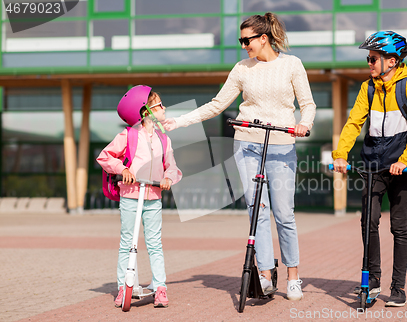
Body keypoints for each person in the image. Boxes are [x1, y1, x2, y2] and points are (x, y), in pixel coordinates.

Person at [162, 12, 316, 301]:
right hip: (247, 144)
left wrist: (304, 123)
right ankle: (266, 274)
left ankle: (293, 274)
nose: (243, 45)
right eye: (240, 40)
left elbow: (308, 104)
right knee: (256, 209)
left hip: (282, 144)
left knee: (284, 213)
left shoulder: (292, 65)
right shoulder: (242, 69)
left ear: (264, 38)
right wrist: (179, 121)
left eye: (247, 40)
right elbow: (217, 104)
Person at [331, 31, 407, 307]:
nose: (369, 63)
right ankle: (372, 282)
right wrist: (341, 155)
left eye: (373, 58)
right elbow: (353, 123)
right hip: (373, 163)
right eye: (368, 58)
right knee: (368, 222)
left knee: (399, 226)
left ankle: (398, 287)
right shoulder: (368, 88)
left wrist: (406, 160)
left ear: (392, 61)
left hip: (401, 166)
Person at [97, 85, 182, 308]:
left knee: (154, 243)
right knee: (127, 241)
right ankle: (124, 286)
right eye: (159, 105)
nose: (164, 108)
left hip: (153, 196)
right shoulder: (128, 135)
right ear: (146, 112)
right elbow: (105, 156)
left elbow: (171, 166)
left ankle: (160, 287)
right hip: (131, 196)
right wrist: (122, 170)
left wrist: (168, 179)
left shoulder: (164, 140)